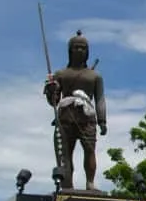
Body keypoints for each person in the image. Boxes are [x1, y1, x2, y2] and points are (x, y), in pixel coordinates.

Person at [43, 30, 107, 190]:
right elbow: (54, 101)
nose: (79, 50)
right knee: (65, 154)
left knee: (90, 150)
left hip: (87, 118)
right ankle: (67, 183)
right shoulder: (60, 74)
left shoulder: (95, 76)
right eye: (76, 47)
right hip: (66, 118)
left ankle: (90, 182)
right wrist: (51, 90)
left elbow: (100, 99)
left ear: (87, 51)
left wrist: (102, 120)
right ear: (70, 50)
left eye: (83, 48)